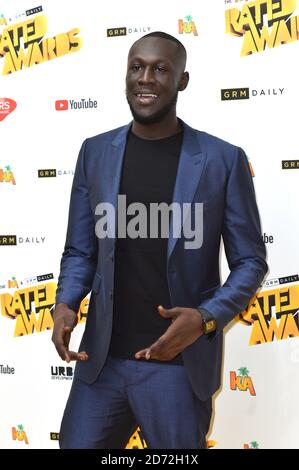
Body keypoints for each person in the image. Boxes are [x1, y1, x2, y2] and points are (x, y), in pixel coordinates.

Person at [52, 31, 268, 449]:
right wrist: (65, 303)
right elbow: (81, 250)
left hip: (176, 364)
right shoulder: (94, 153)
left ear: (182, 81)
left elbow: (251, 262)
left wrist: (206, 318)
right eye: (137, 68)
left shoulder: (223, 160)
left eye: (160, 69)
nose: (145, 79)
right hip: (101, 362)